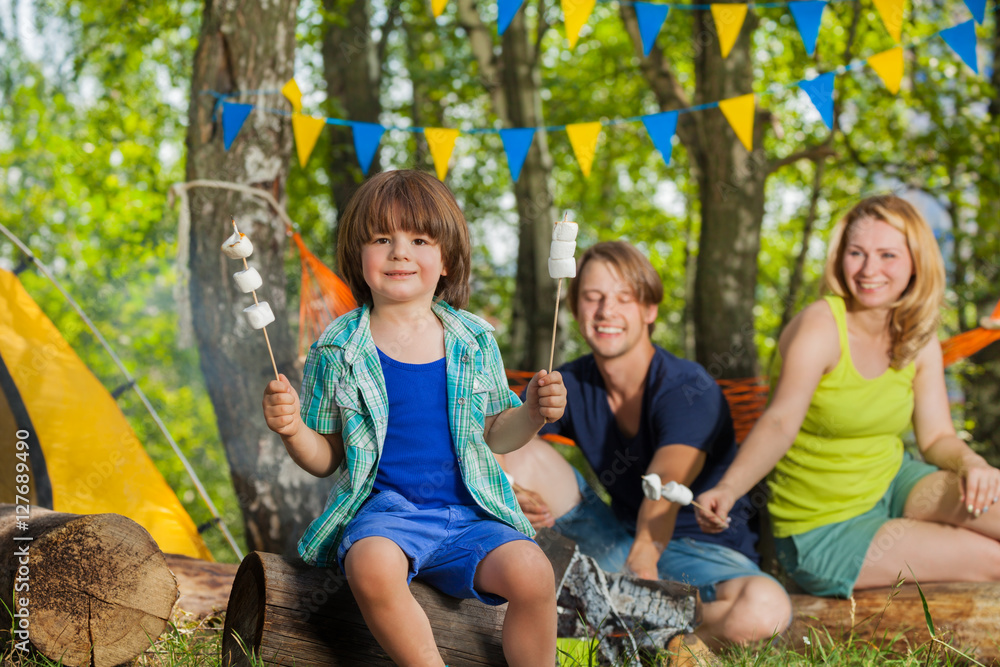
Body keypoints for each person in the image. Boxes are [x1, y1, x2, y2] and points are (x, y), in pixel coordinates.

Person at [262, 169, 565, 666]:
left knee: (533, 571)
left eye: (419, 239)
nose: (400, 252)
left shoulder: (473, 340)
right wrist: (293, 428)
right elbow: (325, 457)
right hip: (389, 516)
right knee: (370, 565)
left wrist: (531, 413)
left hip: (470, 516)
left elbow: (496, 434)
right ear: (359, 258)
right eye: (383, 238)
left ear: (445, 259)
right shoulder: (337, 348)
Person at [696, 194, 1000, 599]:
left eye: (887, 255)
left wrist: (971, 463)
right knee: (994, 559)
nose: (869, 269)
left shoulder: (917, 332)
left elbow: (935, 438)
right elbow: (779, 423)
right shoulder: (819, 328)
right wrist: (729, 489)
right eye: (857, 253)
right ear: (840, 258)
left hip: (893, 482)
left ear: (915, 261)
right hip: (823, 526)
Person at [501, 240, 792, 648]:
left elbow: (667, 480)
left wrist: (645, 556)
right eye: (592, 297)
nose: (606, 311)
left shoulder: (688, 387)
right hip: (615, 542)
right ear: (575, 308)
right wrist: (511, 491)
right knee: (521, 448)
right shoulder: (572, 381)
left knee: (765, 610)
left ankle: (635, 629)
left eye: (624, 298)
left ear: (649, 310)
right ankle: (634, 619)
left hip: (701, 556)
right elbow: (495, 436)